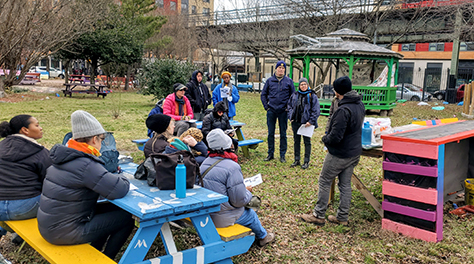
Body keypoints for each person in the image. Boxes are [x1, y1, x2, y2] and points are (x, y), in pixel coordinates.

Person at [37, 110, 134, 259]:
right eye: (102, 139)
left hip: (50, 226)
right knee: (127, 218)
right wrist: (124, 178)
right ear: (94, 139)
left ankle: (96, 249)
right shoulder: (86, 164)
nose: (102, 143)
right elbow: (119, 189)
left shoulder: (66, 155)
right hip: (63, 232)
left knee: (108, 209)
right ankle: (106, 259)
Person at [301, 76, 365, 226]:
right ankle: (342, 217)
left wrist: (325, 139)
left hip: (340, 153)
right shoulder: (359, 104)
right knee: (344, 184)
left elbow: (336, 136)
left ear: (337, 91)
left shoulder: (343, 110)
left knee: (324, 180)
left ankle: (318, 214)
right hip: (354, 151)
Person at [200, 129, 275, 247]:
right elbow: (239, 201)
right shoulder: (232, 167)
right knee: (250, 214)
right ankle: (263, 237)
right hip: (222, 218)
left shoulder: (205, 163)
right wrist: (247, 191)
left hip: (207, 214)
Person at [0, 115, 52, 240]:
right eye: (37, 125)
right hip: (26, 207)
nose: (41, 128)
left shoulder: (1, 146)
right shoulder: (40, 152)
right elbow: (50, 180)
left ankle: (12, 233)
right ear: (25, 130)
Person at [261, 60, 295, 163]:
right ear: (276, 69)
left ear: (285, 70)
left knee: (283, 134)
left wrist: (288, 108)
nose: (281, 70)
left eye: (283, 68)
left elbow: (293, 97)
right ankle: (270, 153)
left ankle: (282, 155)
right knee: (271, 133)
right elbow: (263, 94)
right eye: (279, 68)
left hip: (283, 111)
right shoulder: (270, 81)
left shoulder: (289, 81)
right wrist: (266, 106)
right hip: (271, 110)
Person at [287, 78, 320, 169]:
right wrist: (291, 117)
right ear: (299, 86)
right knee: (296, 141)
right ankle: (297, 159)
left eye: (305, 84)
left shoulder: (312, 95)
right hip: (296, 122)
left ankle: (306, 161)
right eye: (301, 84)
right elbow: (289, 106)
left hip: (307, 124)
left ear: (307, 85)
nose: (303, 86)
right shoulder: (294, 95)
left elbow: (316, 110)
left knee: (307, 142)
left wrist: (311, 121)